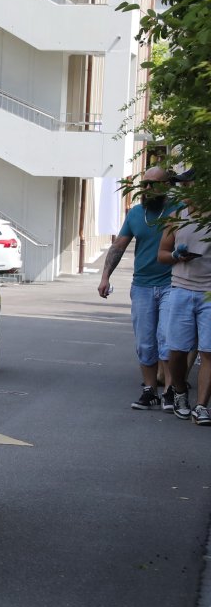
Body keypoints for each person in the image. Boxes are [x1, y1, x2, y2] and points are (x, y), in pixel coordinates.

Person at [98, 165, 178, 410]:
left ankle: (170, 391)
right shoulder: (135, 213)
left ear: (166, 186)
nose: (148, 188)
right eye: (144, 184)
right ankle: (149, 390)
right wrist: (105, 277)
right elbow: (118, 247)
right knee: (145, 342)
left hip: (172, 285)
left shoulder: (178, 211)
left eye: (153, 184)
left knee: (167, 339)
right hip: (142, 286)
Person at [157, 198, 211, 424]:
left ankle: (201, 406)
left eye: (190, 184)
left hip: (209, 292)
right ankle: (179, 392)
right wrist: (175, 256)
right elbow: (162, 254)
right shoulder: (176, 218)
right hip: (181, 289)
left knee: (208, 351)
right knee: (177, 351)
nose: (185, 189)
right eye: (183, 184)